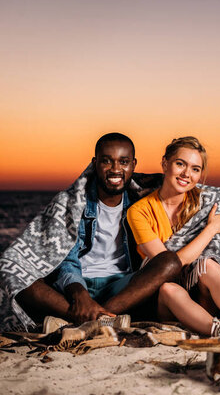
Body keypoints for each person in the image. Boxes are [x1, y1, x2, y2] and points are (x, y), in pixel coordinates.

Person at [14, 133, 182, 329]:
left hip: (122, 290)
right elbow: (67, 259)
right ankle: (103, 319)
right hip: (76, 286)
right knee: (18, 276)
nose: (116, 169)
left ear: (134, 164)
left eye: (124, 162)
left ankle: (93, 317)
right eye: (107, 161)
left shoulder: (140, 203)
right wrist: (79, 294)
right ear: (95, 163)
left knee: (169, 261)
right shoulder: (73, 202)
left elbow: (182, 188)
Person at [127, 137, 220, 338]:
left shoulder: (202, 204)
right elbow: (168, 265)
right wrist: (210, 230)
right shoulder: (139, 211)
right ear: (165, 163)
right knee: (169, 289)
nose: (187, 174)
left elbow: (215, 247)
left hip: (202, 293)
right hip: (164, 296)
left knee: (208, 265)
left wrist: (211, 234)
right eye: (180, 164)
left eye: (195, 169)